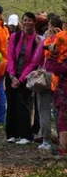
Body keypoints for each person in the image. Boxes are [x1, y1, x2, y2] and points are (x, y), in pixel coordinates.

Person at [21, 15, 60, 151]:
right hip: (60, 76)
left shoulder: (47, 39)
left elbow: (37, 59)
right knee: (58, 110)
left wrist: (41, 44)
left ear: (51, 26)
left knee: (43, 109)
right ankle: (62, 139)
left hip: (45, 76)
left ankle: (47, 140)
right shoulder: (64, 39)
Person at [5, 12, 39, 144]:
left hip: (27, 76)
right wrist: (12, 75)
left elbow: (34, 61)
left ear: (34, 23)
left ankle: (26, 135)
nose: (27, 23)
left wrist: (21, 78)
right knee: (11, 103)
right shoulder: (15, 36)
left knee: (23, 105)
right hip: (12, 74)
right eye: (25, 20)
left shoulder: (37, 40)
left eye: (30, 20)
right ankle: (12, 133)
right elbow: (10, 56)